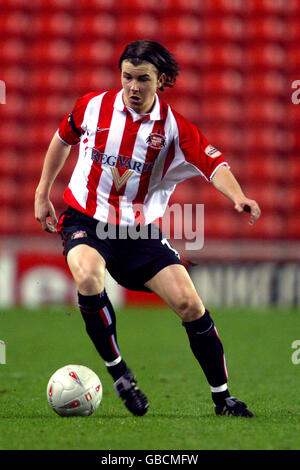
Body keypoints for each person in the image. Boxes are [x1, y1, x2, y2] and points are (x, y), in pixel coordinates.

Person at [35, 40, 261, 418]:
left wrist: (238, 196)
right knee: (88, 277)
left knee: (190, 304)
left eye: (143, 79)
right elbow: (62, 139)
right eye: (127, 77)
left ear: (161, 81)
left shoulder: (175, 128)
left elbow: (215, 165)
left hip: (140, 233)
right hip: (85, 221)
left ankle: (223, 398)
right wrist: (43, 192)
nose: (133, 87)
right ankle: (119, 373)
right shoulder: (93, 106)